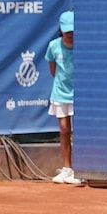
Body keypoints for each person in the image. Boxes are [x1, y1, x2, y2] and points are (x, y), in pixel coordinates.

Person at [45, 10, 82, 185]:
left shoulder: (84, 46)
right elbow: (54, 72)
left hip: (80, 95)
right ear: (61, 30)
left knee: (80, 132)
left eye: (73, 32)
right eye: (68, 32)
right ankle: (67, 169)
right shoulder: (53, 46)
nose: (70, 35)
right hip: (60, 93)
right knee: (64, 130)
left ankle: (81, 168)